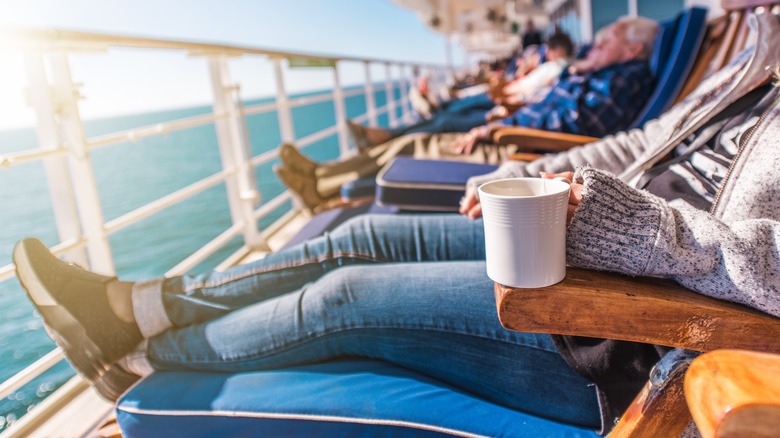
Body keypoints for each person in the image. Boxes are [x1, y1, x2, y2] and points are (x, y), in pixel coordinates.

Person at [14, 13, 780, 437]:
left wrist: (636, 228)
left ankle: (143, 358)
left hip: (633, 326)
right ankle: (138, 305)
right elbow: (643, 144)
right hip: (603, 241)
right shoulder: (756, 69)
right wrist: (546, 177)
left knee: (341, 294)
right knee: (360, 234)